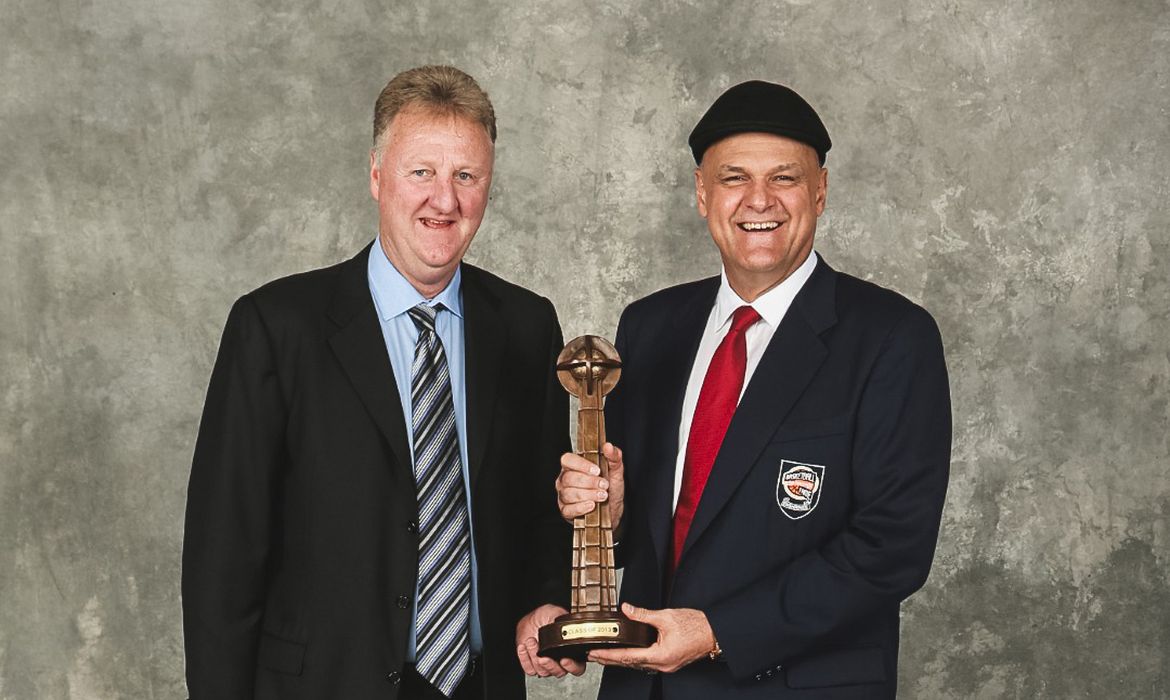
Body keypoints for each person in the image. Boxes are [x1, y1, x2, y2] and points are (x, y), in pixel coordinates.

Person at [183, 65, 582, 700]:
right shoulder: (277, 327)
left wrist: (544, 599)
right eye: (421, 171)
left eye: (466, 176)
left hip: (477, 686)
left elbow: (539, 508)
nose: (444, 200)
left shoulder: (527, 327)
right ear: (377, 176)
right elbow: (222, 562)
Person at [555, 80, 952, 699]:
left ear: (820, 190)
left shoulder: (891, 338)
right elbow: (652, 533)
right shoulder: (650, 327)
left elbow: (891, 547)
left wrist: (720, 632)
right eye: (734, 177)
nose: (758, 201)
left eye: (785, 178)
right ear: (701, 193)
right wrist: (613, 507)